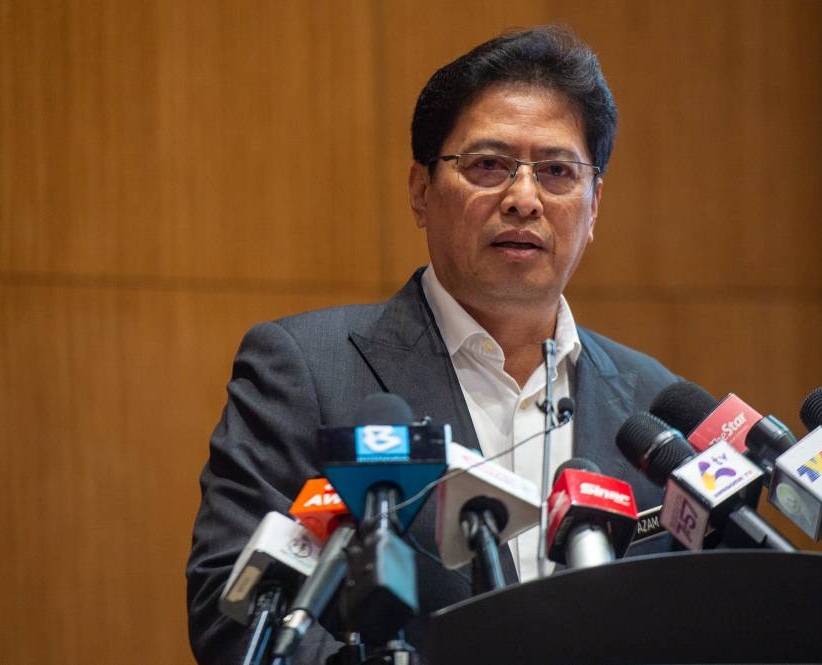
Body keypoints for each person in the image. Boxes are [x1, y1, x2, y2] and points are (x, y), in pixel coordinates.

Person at [187, 25, 678, 665]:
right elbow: (232, 609)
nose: (523, 199)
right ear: (421, 191)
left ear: (594, 206)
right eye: (488, 165)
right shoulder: (304, 369)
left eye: (557, 172)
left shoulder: (654, 407)